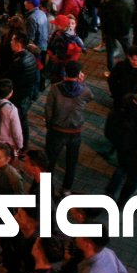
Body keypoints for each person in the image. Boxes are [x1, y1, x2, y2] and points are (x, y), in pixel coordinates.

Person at [44, 62, 89, 196]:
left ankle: (47, 190)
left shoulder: (55, 89)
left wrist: (49, 126)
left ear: (65, 72)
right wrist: (82, 83)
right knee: (71, 162)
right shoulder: (84, 90)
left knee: (50, 161)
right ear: (79, 74)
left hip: (57, 130)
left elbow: (48, 110)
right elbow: (90, 97)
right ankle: (66, 189)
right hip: (75, 132)